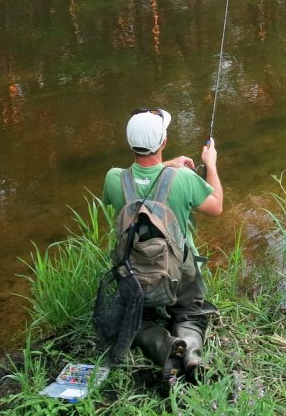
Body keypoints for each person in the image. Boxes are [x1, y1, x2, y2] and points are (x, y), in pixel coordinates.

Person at [101, 107, 224, 382]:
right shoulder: (183, 178)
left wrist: (167, 164)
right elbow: (216, 206)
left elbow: (141, 182)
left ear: (130, 143)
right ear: (163, 142)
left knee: (131, 320)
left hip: (134, 274)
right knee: (190, 314)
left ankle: (166, 348)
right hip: (179, 272)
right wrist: (211, 163)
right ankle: (191, 352)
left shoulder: (113, 178)